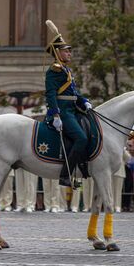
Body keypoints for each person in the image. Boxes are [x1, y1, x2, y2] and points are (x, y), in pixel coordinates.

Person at [44, 29, 92, 187]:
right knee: (81, 138)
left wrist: (83, 101)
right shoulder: (53, 71)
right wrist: (55, 115)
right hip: (63, 112)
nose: (70, 53)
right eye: (66, 51)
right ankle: (65, 175)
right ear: (58, 53)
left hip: (73, 109)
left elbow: (73, 93)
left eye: (70, 51)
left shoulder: (66, 70)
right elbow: (51, 94)